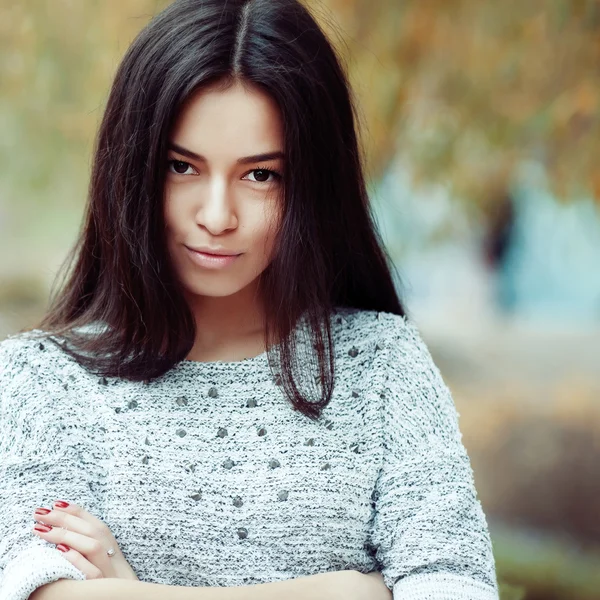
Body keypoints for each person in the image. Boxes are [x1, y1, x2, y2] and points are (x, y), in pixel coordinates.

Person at [0, 1, 500, 599]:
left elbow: (455, 584)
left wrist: (133, 590)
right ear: (131, 169)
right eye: (182, 166)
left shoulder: (383, 367)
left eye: (260, 175)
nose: (216, 216)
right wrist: (350, 592)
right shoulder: (40, 383)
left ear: (312, 184)